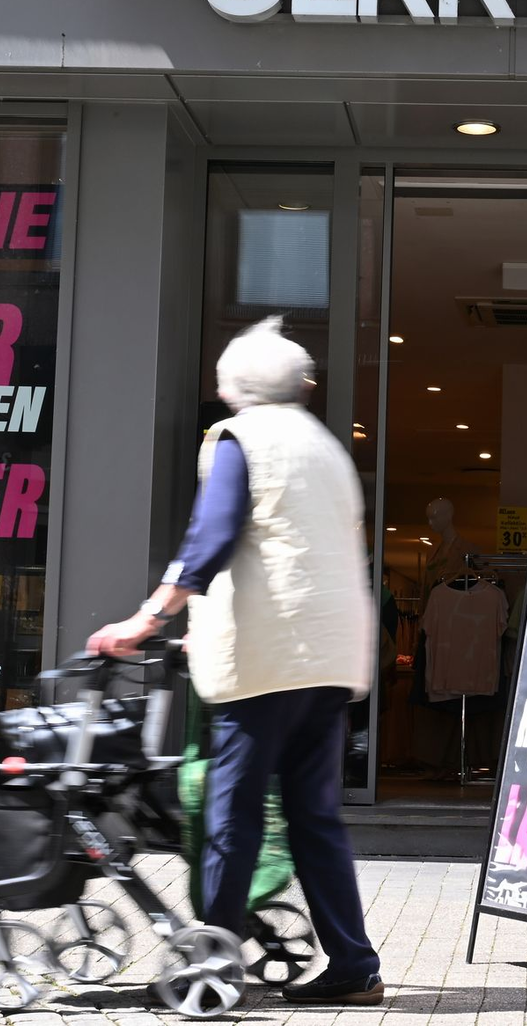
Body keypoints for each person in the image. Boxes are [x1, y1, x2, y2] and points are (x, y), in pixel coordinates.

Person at [87, 317, 384, 1006]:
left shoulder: (240, 438)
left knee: (232, 814)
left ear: (235, 384)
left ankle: (213, 966)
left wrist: (149, 618)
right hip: (331, 659)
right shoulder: (328, 449)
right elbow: (297, 551)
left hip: (267, 659)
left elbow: (212, 536)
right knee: (315, 817)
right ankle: (354, 964)